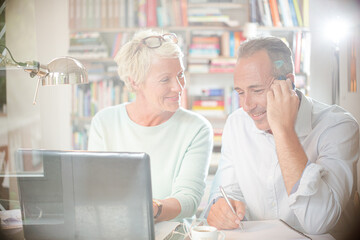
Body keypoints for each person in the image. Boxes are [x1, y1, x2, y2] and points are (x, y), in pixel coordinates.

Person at [206, 36, 359, 238]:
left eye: (257, 90)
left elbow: (318, 221)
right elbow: (227, 192)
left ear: (289, 84)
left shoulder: (338, 126)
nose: (247, 105)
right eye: (241, 92)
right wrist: (222, 208)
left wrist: (283, 130)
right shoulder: (237, 123)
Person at [88, 29, 213, 222]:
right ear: (134, 82)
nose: (179, 87)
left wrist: (152, 209)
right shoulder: (104, 123)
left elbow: (189, 200)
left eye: (180, 74)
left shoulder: (197, 128)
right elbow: (97, 190)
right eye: (165, 79)